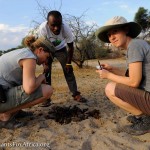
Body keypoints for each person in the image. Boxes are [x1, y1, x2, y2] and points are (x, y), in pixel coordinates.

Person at [95, 16, 150, 135]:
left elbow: (134, 82)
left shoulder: (135, 46)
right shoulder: (136, 44)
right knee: (119, 84)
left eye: (115, 31)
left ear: (126, 29)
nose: (112, 37)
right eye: (109, 35)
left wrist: (108, 75)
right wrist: (112, 69)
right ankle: (142, 116)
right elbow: (132, 74)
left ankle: (146, 120)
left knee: (110, 88)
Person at [0, 35, 54, 129]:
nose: (46, 61)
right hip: (1, 97)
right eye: (47, 57)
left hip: (2, 94)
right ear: (40, 50)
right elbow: (29, 88)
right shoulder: (29, 58)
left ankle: (15, 112)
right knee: (47, 90)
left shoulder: (24, 52)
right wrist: (42, 77)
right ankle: (5, 115)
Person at [37, 10, 87, 107]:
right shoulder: (43, 28)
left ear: (62, 22)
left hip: (61, 49)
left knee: (68, 70)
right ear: (48, 23)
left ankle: (75, 94)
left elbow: (71, 47)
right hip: (47, 49)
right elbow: (42, 46)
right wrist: (45, 63)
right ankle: (46, 98)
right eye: (53, 25)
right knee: (46, 72)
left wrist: (68, 63)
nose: (56, 28)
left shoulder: (66, 29)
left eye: (59, 24)